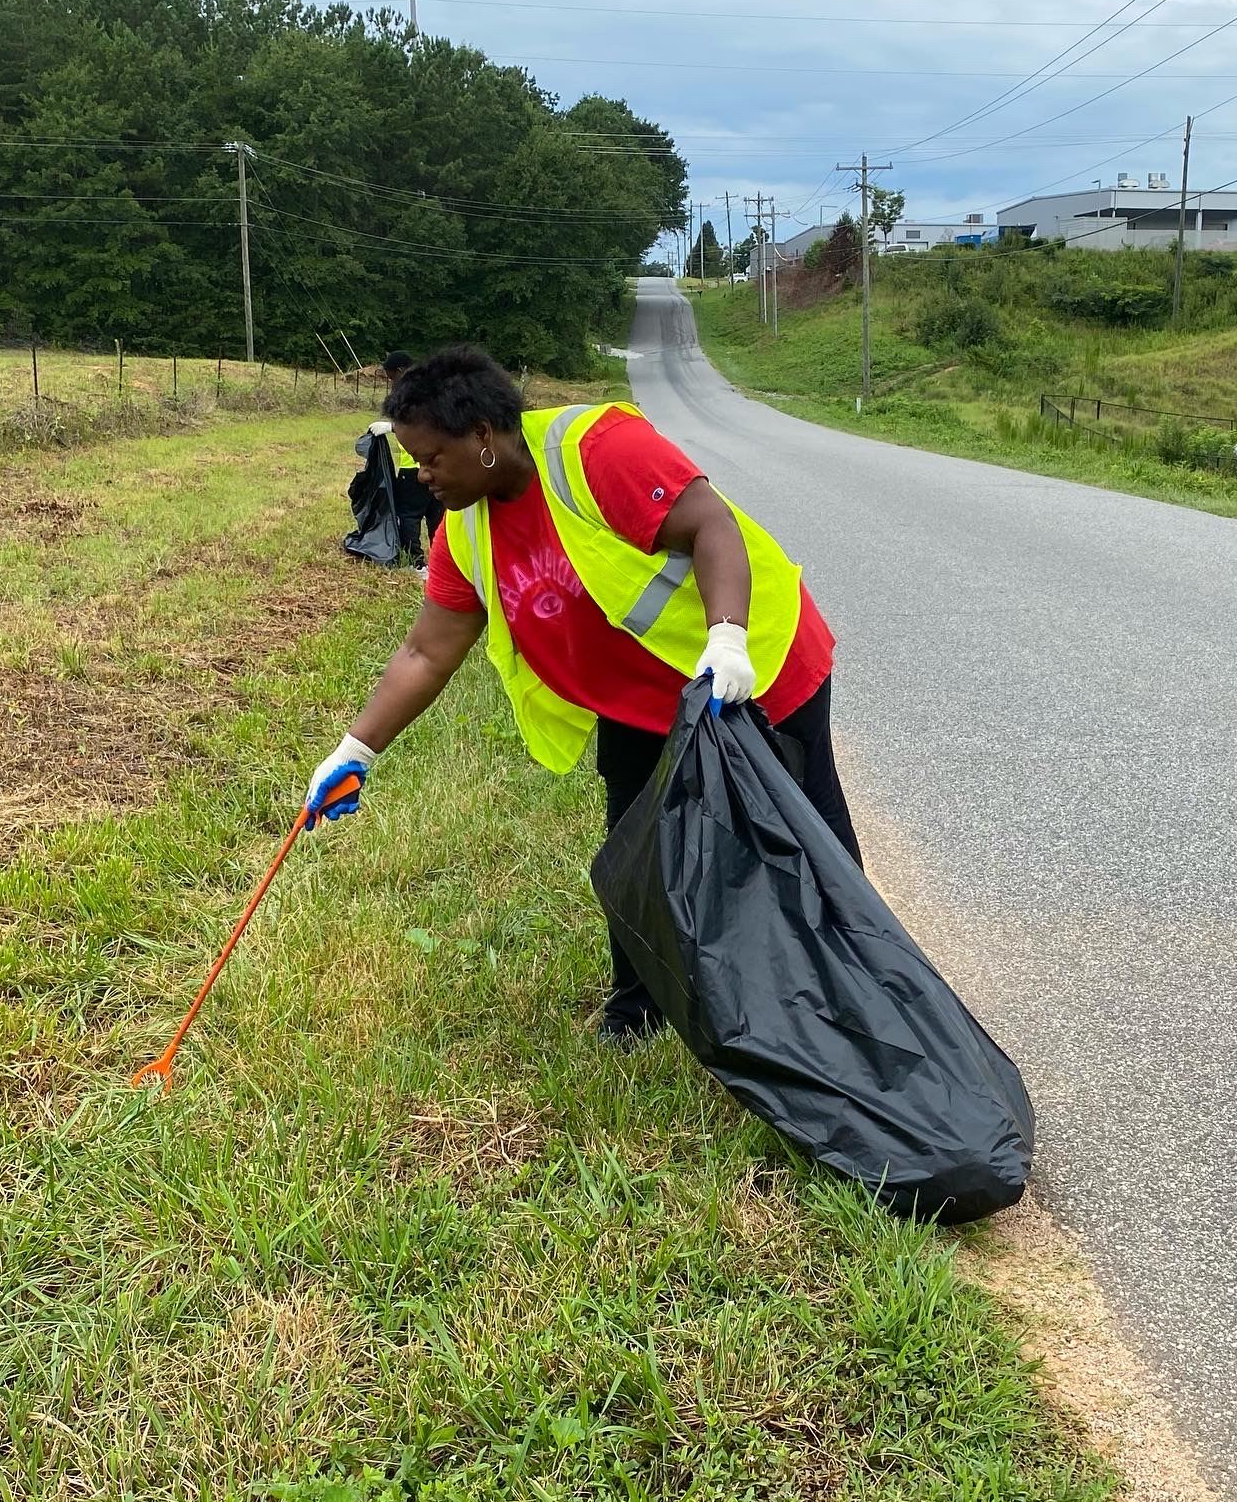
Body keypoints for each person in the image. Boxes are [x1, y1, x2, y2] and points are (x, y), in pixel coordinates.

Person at [306, 343, 860, 1042]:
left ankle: (854, 989)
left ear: (482, 437)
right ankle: (639, 1008)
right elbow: (425, 652)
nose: (422, 476)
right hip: (642, 702)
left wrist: (728, 638)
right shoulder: (466, 534)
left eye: (431, 458)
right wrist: (356, 749)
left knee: (807, 834)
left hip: (757, 657)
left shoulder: (597, 450)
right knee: (634, 850)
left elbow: (711, 525)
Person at [378, 350, 444, 566]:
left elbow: (418, 422)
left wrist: (391, 426)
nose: (392, 383)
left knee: (409, 515)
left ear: (400, 370)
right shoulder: (431, 387)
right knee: (437, 516)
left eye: (391, 377)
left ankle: (417, 563)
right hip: (437, 466)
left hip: (412, 468)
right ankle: (441, 563)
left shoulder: (411, 392)